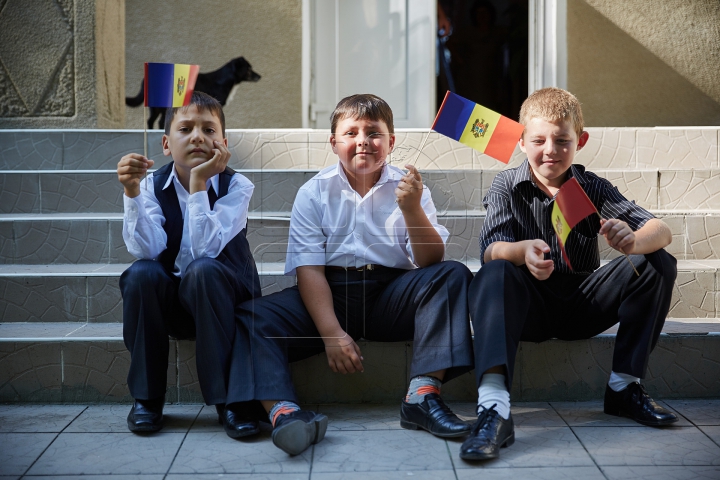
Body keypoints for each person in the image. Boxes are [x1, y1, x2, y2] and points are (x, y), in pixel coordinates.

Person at [228, 93, 475, 456]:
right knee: (252, 317)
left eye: (374, 133)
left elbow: (430, 261)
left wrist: (411, 210)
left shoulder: (410, 188)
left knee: (451, 275)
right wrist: (331, 334)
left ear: (391, 142)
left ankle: (422, 396)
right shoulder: (314, 192)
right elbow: (309, 270)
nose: (363, 141)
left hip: (391, 295)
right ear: (333, 143)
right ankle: (284, 413)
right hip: (330, 293)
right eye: (351, 133)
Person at [461, 87, 678, 461]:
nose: (550, 150)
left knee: (659, 261)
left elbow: (661, 230)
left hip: (583, 300)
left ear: (581, 141)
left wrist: (633, 240)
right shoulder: (506, 184)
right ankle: (494, 407)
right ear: (522, 141)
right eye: (539, 140)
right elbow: (490, 248)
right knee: (494, 272)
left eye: (563, 141)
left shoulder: (591, 186)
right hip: (527, 305)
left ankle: (624, 387)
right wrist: (522, 251)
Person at [117, 91, 262, 436]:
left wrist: (199, 183)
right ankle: (147, 398)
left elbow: (205, 251)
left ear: (223, 144)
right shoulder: (151, 184)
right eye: (186, 129)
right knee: (141, 274)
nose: (198, 136)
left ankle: (230, 400)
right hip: (177, 305)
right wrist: (133, 193)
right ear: (166, 144)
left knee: (204, 270)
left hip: (226, 303)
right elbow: (147, 249)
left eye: (209, 130)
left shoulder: (236, 186)